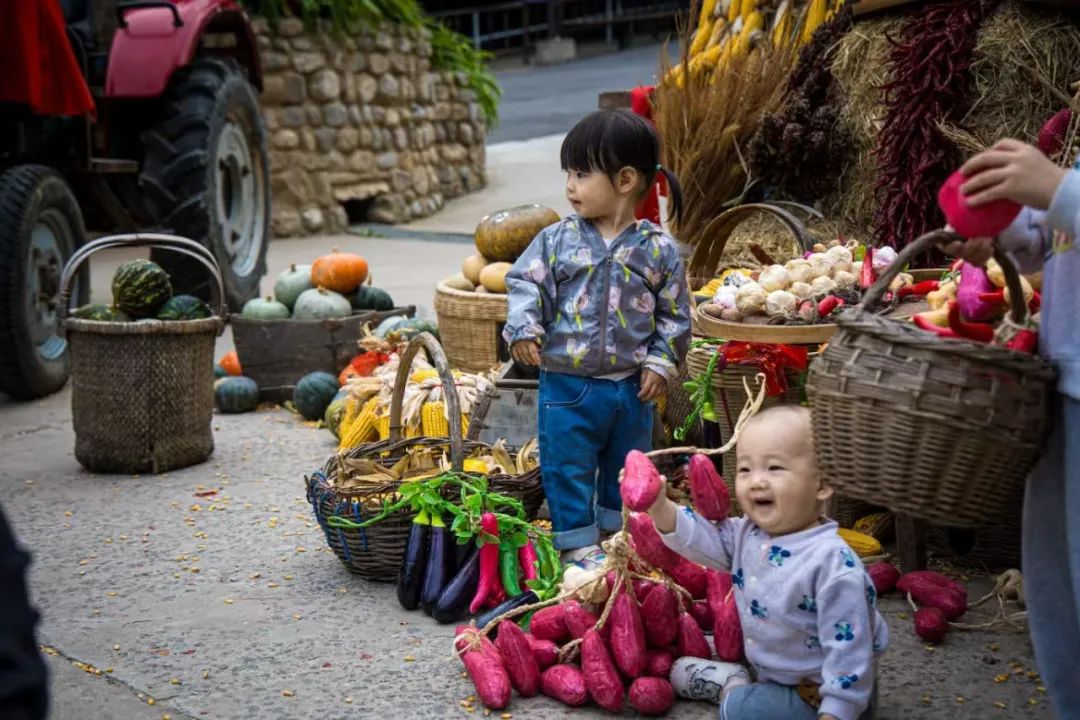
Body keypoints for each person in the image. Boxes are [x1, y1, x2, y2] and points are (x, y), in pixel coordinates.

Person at [502, 109, 692, 568]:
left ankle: (619, 532)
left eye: (582, 173)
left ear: (626, 180)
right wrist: (525, 328)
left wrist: (660, 364)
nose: (570, 185)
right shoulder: (556, 241)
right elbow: (525, 282)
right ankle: (575, 545)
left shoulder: (658, 250)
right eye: (568, 173)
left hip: (631, 387)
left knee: (628, 466)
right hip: (568, 386)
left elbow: (675, 315)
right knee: (566, 466)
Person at [948, 137, 1080, 719]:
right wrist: (1012, 230)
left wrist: (1059, 190)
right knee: (1058, 590)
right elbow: (1063, 251)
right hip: (1065, 386)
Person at [648, 405, 888, 720]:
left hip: (825, 692)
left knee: (737, 710)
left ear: (822, 484)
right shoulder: (748, 532)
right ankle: (743, 681)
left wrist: (837, 710)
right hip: (778, 671)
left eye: (774, 467)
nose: (756, 482)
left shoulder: (832, 565)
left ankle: (731, 685)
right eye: (746, 470)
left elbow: (850, 652)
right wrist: (658, 507)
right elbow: (702, 539)